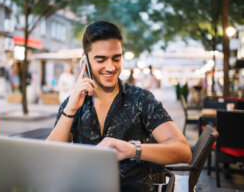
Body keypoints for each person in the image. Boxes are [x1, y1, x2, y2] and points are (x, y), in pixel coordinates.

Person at [47, 21, 192, 192]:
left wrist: (133, 150)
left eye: (116, 58)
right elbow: (50, 159)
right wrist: (70, 108)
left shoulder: (142, 99)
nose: (111, 67)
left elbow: (183, 151)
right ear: (85, 61)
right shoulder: (73, 103)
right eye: (101, 59)